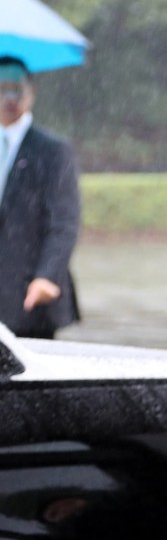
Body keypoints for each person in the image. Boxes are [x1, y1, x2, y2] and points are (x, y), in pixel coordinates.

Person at [0, 56, 81, 339]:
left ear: (31, 93)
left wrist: (47, 275)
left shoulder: (53, 150)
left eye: (17, 89)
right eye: (2, 88)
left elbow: (64, 223)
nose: (10, 97)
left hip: (30, 296)